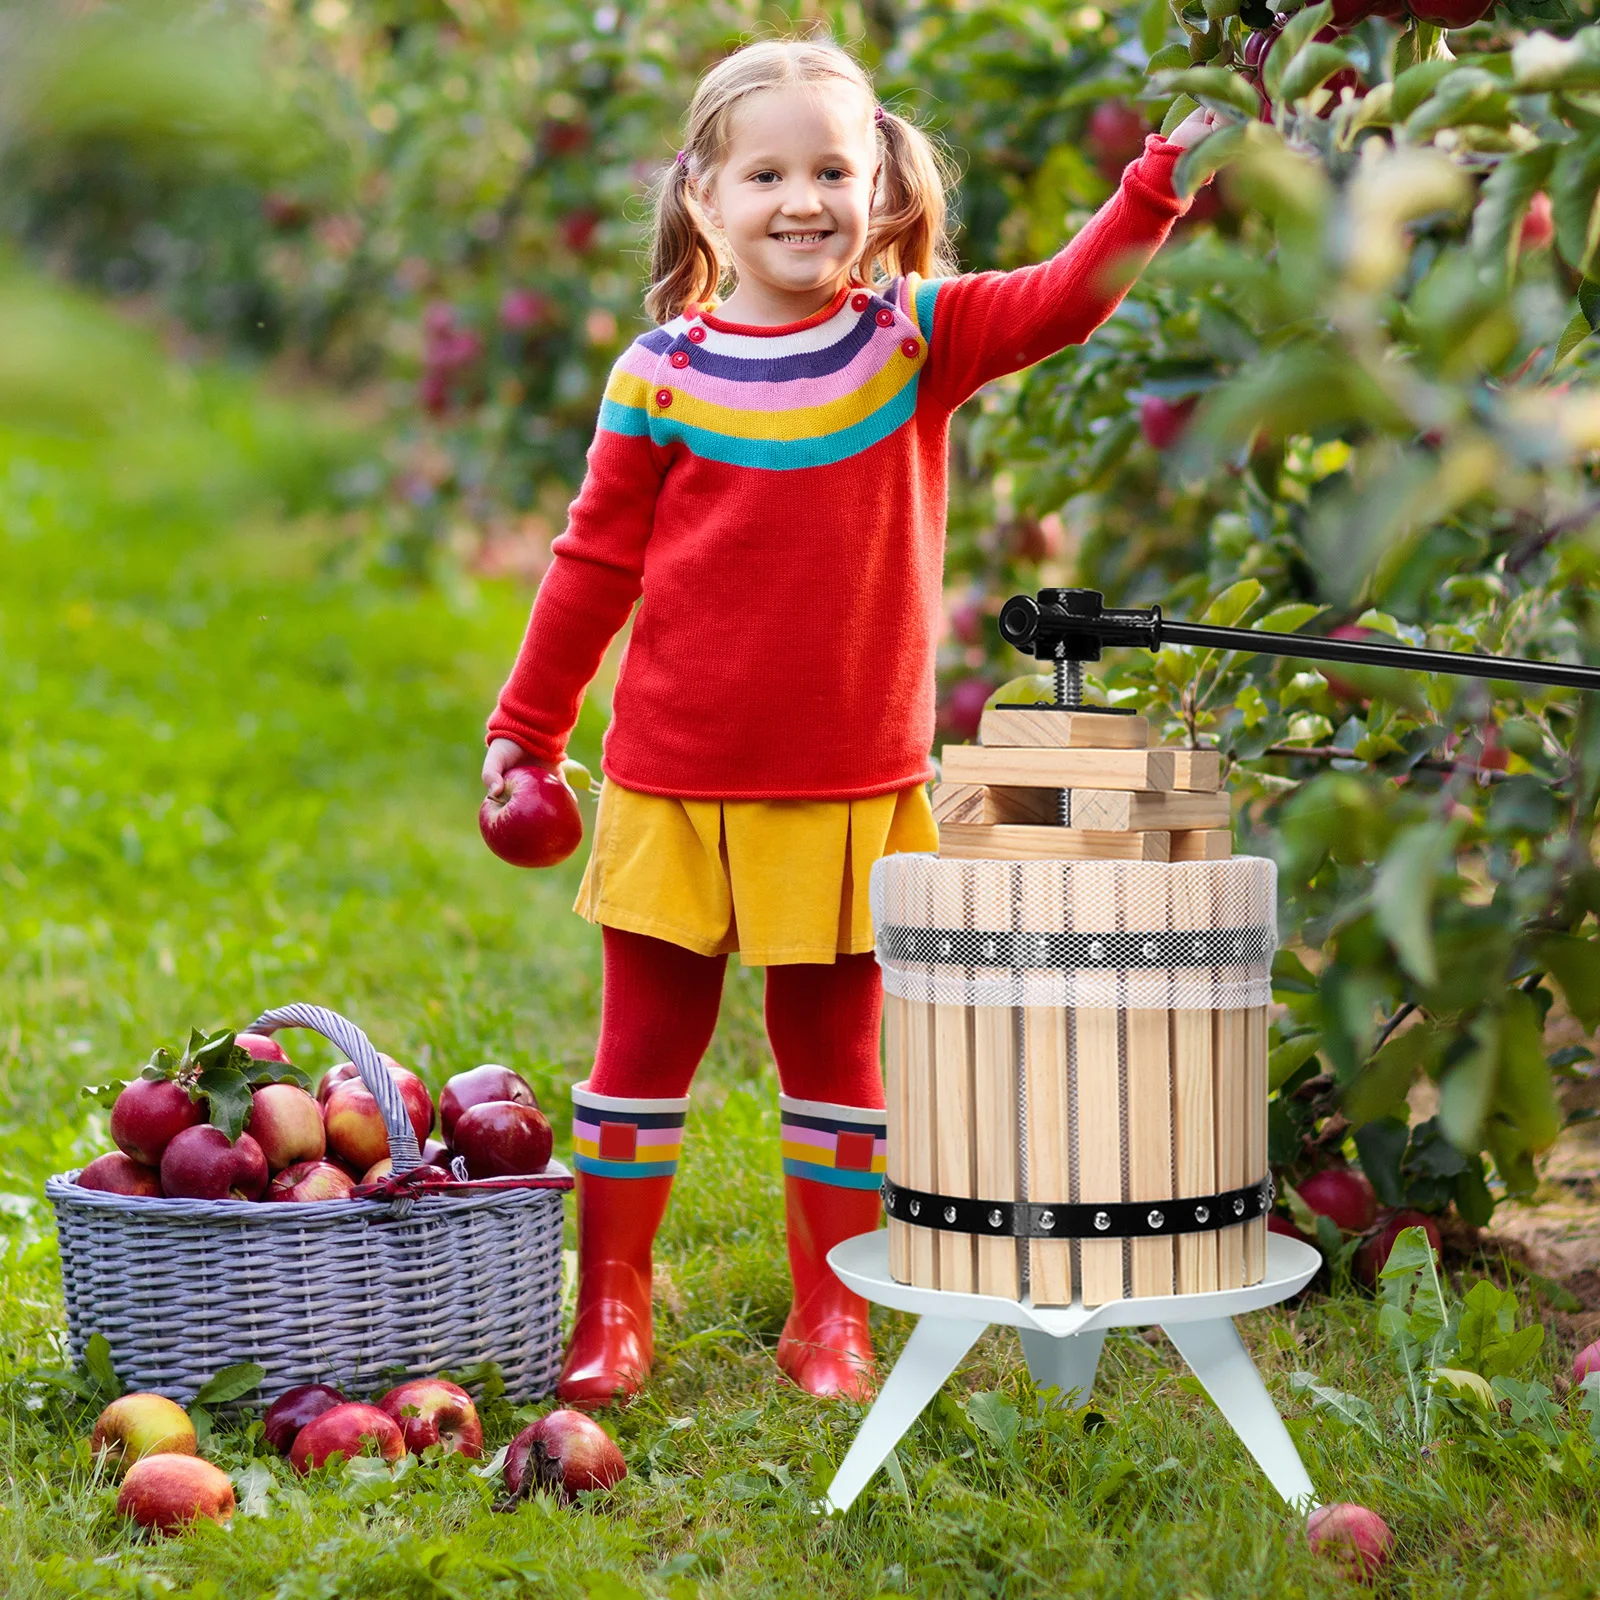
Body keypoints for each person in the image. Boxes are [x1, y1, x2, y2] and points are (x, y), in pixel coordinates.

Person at [482, 36, 1216, 1408]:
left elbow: (1065, 300)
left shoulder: (911, 341)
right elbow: (593, 564)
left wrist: (1159, 180)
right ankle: (613, 1315)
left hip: (848, 783)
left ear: (879, 189)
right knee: (639, 1062)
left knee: (841, 1065)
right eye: (767, 171)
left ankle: (832, 1316)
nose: (801, 198)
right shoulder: (659, 372)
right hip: (674, 780)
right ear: (703, 197)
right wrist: (526, 728)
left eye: (833, 168)